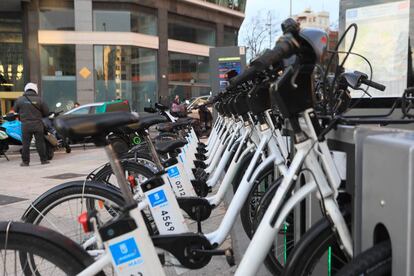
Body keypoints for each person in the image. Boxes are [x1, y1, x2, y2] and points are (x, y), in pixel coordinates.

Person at [14, 82, 49, 166]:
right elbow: (46, 112)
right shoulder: (40, 99)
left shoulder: (20, 99)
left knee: (26, 144)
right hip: (38, 124)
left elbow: (15, 110)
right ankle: (43, 160)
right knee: (40, 143)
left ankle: (25, 162)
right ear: (35, 90)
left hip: (25, 125)